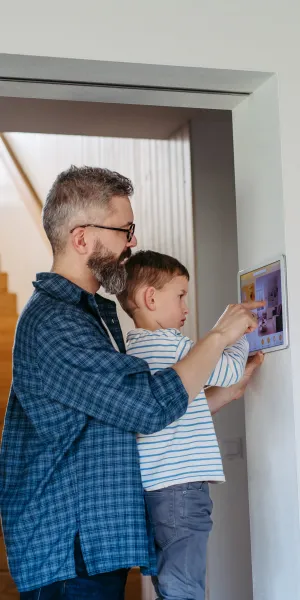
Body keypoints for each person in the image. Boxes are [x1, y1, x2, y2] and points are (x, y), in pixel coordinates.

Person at [0, 166, 263, 600]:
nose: (133, 241)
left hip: (89, 546)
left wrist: (219, 395)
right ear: (82, 238)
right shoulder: (56, 324)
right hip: (68, 549)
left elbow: (124, 418)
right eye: (125, 229)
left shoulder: (90, 315)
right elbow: (147, 405)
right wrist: (218, 337)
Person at [118, 250, 264, 600]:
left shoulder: (133, 351)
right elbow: (226, 370)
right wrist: (239, 335)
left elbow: (186, 405)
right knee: (184, 588)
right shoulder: (172, 345)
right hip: (182, 491)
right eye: (180, 295)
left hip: (153, 493)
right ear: (150, 298)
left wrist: (230, 391)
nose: (186, 307)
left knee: (171, 583)